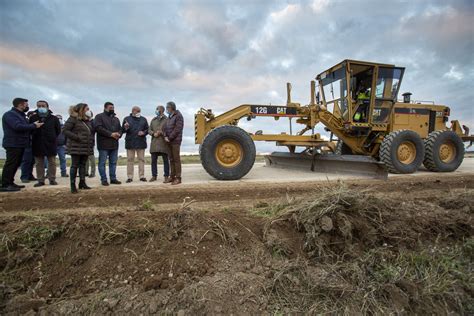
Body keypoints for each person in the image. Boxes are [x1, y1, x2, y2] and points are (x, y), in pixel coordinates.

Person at [1, 98, 43, 192]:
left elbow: (25, 127)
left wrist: (32, 125)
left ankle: (10, 182)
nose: (27, 106)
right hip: (13, 143)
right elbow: (17, 126)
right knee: (11, 164)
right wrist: (33, 126)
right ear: (20, 105)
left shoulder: (21, 115)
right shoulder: (10, 115)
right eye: (26, 105)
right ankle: (5, 184)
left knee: (16, 164)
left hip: (20, 143)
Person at [62, 103, 94, 193]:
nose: (88, 110)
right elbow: (64, 130)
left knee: (83, 165)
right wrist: (77, 137)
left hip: (85, 146)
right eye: (87, 109)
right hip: (76, 146)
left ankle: (82, 183)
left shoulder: (86, 120)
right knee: (74, 165)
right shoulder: (73, 119)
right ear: (81, 110)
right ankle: (73, 185)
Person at [29, 100, 61, 187]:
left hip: (50, 143)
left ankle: (52, 179)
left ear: (47, 107)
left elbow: (58, 130)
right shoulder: (33, 118)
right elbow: (30, 130)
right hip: (37, 142)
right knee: (39, 163)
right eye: (39, 106)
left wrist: (52, 137)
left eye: (43, 105)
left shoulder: (54, 118)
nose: (41, 107)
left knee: (52, 162)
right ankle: (40, 180)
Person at [94, 102, 122, 186]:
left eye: (113, 107)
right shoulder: (99, 117)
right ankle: (104, 179)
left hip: (114, 144)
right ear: (105, 108)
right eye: (110, 107)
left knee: (113, 162)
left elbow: (120, 129)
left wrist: (119, 134)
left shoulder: (116, 119)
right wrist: (111, 134)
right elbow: (98, 128)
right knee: (102, 163)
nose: (112, 109)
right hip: (103, 144)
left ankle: (113, 178)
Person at [123, 106, 149, 183]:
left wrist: (143, 132)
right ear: (133, 111)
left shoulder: (143, 119)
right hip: (130, 142)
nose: (139, 113)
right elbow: (123, 130)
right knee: (130, 160)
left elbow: (147, 129)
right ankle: (130, 177)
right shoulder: (126, 119)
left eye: (139, 111)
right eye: (137, 111)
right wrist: (126, 128)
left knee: (141, 160)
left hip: (141, 142)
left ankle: (142, 176)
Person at [163, 101, 184, 185]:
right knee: (171, 159)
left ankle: (178, 178)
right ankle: (172, 177)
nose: (166, 109)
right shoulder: (169, 117)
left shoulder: (178, 116)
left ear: (172, 108)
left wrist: (170, 138)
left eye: (167, 107)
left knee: (176, 159)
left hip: (175, 141)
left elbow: (178, 129)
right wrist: (165, 136)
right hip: (168, 141)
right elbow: (164, 128)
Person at [149, 105, 170, 183]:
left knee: (165, 160)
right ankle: (154, 176)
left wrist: (162, 132)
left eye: (157, 109)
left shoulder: (167, 119)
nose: (156, 111)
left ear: (162, 110)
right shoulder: (153, 120)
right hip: (154, 143)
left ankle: (166, 176)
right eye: (156, 109)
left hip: (163, 143)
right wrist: (153, 133)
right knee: (153, 161)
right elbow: (149, 129)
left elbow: (169, 129)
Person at [20, 109, 37, 183]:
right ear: (29, 116)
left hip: (34, 143)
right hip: (27, 143)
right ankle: (24, 176)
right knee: (26, 160)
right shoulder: (26, 122)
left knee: (32, 161)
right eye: (33, 115)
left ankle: (30, 175)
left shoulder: (35, 124)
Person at [84, 111, 96, 178]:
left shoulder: (93, 122)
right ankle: (85, 172)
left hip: (90, 142)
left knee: (91, 157)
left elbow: (93, 130)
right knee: (85, 158)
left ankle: (92, 172)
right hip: (84, 141)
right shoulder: (85, 122)